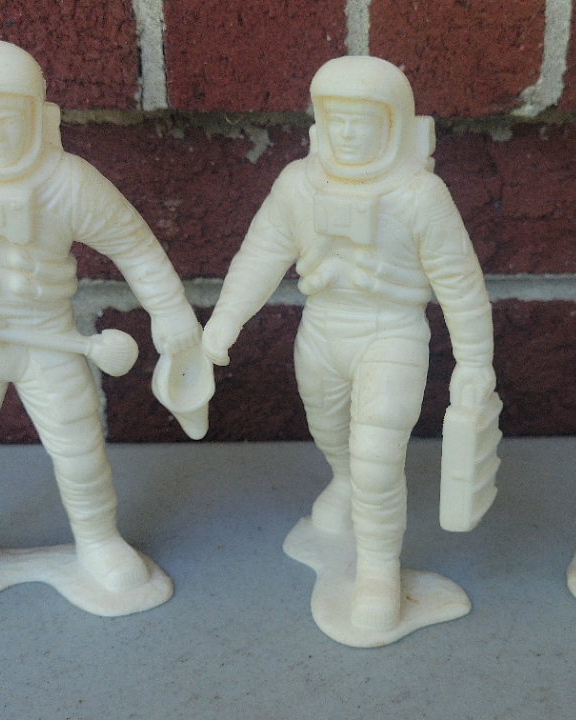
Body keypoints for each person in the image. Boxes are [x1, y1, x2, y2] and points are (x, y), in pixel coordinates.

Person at [0, 40, 201, 609]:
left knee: (79, 446)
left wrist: (171, 312)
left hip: (49, 337)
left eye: (9, 118)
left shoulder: (66, 181)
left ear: (37, 117)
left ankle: (98, 540)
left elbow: (134, 244)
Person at [201, 56, 496, 631]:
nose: (347, 134)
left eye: (362, 121)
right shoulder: (298, 183)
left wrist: (475, 360)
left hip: (391, 333)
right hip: (321, 330)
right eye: (336, 120)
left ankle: (379, 570)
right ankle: (344, 483)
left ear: (394, 125)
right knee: (331, 433)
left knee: (378, 459)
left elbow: (460, 282)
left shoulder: (420, 195)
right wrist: (224, 322)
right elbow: (261, 254)